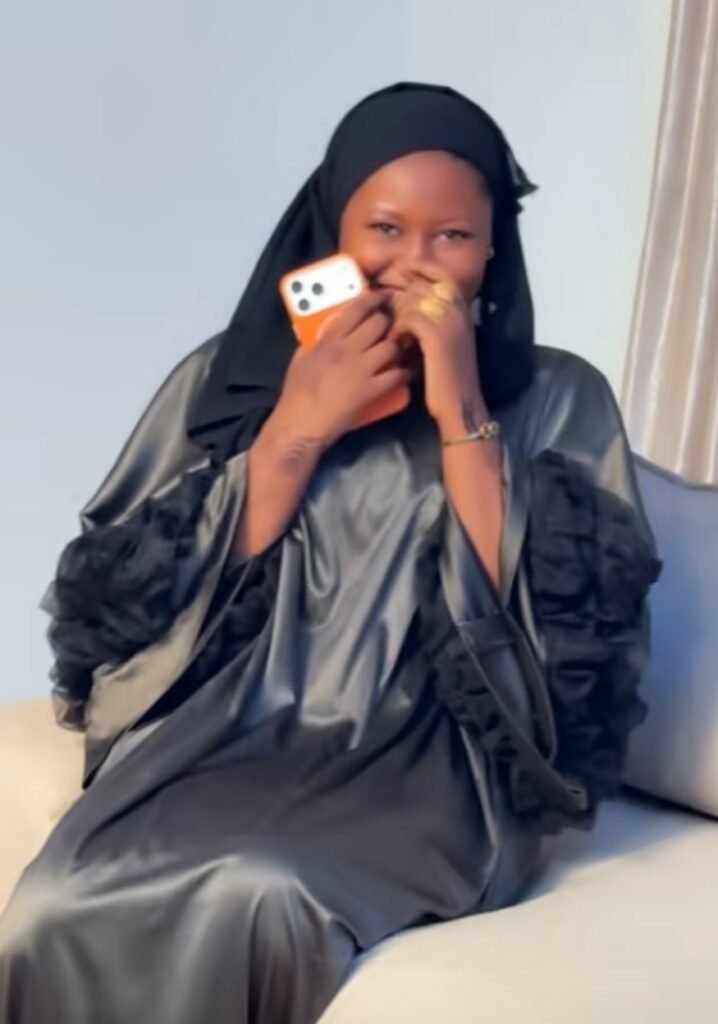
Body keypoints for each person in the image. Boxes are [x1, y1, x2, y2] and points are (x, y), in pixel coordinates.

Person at [0, 82, 660, 1024]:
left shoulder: (560, 396)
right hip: (225, 728)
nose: (414, 264)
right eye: (384, 229)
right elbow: (133, 593)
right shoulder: (224, 379)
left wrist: (462, 410)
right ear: (333, 229)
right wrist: (297, 428)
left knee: (259, 892)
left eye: (452, 236)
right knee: (51, 904)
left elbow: (563, 635)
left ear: (492, 249)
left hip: (434, 760)